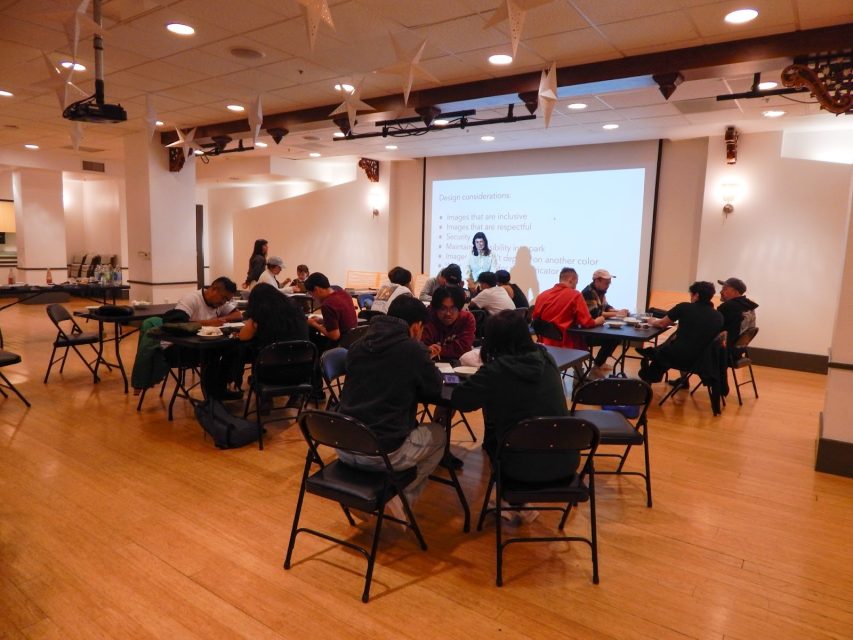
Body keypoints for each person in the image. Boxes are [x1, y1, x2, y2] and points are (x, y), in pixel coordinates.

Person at [451, 310, 578, 522]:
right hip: (566, 461)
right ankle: (516, 504)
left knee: (494, 438)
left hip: (521, 468)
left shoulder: (496, 370)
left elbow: (461, 401)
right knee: (520, 431)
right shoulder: (546, 358)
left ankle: (512, 502)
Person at [337, 295, 446, 512]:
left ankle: (384, 493)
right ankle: (398, 499)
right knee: (439, 435)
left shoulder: (358, 345)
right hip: (382, 452)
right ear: (416, 327)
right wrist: (423, 357)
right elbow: (434, 388)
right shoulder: (413, 350)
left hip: (344, 443)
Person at [636, 281, 724, 383]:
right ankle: (653, 357)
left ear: (696, 295)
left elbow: (661, 324)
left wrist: (650, 320)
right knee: (667, 350)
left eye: (691, 295)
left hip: (680, 357)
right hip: (702, 361)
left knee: (664, 354)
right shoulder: (719, 316)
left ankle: (649, 374)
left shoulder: (684, 307)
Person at [231, 283, 309, 389]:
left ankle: (260, 394)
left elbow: (243, 336)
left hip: (270, 374)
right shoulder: (296, 309)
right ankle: (296, 395)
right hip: (302, 371)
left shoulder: (261, 314)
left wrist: (251, 320)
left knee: (244, 349)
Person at [532, 267, 604, 349]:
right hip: (567, 346)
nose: (575, 287)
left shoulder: (542, 296)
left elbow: (535, 319)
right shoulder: (575, 295)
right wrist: (598, 321)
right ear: (571, 280)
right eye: (575, 284)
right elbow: (586, 322)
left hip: (544, 345)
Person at [582, 268, 629, 369]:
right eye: (606, 283)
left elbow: (606, 307)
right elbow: (596, 314)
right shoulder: (588, 293)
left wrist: (618, 311)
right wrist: (617, 314)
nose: (608, 285)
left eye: (609, 283)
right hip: (585, 334)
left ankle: (599, 363)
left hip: (594, 330)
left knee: (616, 337)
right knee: (614, 338)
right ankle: (598, 365)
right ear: (597, 281)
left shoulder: (600, 292)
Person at [303, 272, 358, 351]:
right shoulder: (344, 294)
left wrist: (314, 324)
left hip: (340, 345)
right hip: (353, 340)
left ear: (317, 289)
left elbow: (334, 336)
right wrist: (321, 321)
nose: (313, 298)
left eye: (311, 294)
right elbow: (341, 320)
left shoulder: (327, 304)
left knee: (312, 340)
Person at [422, 285, 476, 361]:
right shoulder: (427, 318)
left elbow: (464, 347)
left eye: (453, 308)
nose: (448, 313)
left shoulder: (466, 318)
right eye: (443, 308)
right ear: (435, 308)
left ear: (460, 308)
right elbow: (423, 349)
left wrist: (439, 350)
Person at [172, 276, 243, 327]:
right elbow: (176, 323)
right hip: (184, 343)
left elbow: (238, 315)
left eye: (227, 300)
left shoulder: (220, 303)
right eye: (223, 298)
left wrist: (221, 319)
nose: (223, 302)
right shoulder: (191, 298)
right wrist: (209, 323)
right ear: (213, 290)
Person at [717, 277, 758, 352]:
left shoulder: (729, 306)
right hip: (738, 351)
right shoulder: (750, 306)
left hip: (724, 352)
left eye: (725, 289)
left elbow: (714, 327)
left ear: (736, 292)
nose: (721, 292)